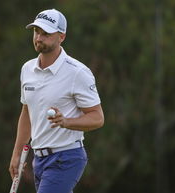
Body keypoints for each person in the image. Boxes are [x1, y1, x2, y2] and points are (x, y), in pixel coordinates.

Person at [9, 8, 104, 193]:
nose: (39, 38)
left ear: (61, 37)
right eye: (37, 32)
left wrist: (66, 122)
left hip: (67, 157)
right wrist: (17, 153)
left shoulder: (78, 72)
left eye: (46, 34)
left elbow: (97, 117)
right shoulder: (27, 69)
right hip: (39, 159)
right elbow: (27, 113)